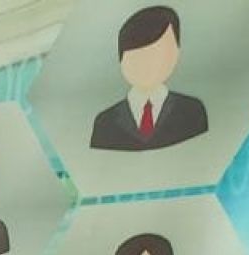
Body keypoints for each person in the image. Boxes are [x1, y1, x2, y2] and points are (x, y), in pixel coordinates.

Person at [89, 6, 209, 152]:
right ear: (122, 61)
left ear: (176, 53)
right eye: (137, 56)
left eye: (158, 53)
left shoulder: (192, 111)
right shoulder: (105, 122)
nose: (147, 64)